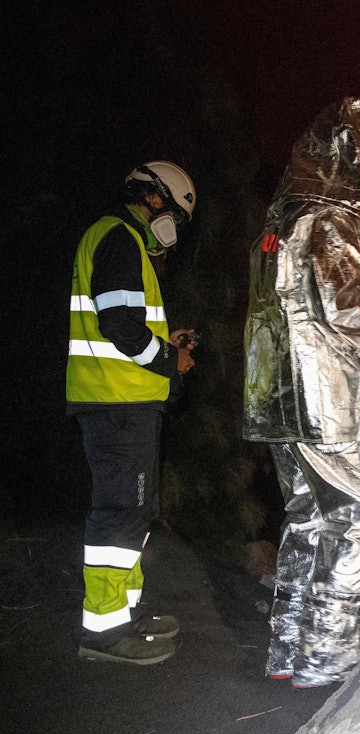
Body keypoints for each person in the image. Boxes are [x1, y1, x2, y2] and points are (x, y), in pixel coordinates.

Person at [243, 98, 360, 689]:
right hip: (325, 404)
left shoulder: (280, 227)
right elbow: (347, 314)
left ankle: (289, 647)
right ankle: (327, 652)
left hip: (276, 403)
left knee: (309, 518)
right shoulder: (330, 223)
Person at [67, 160, 198, 665]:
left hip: (121, 402)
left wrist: (167, 344)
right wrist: (171, 359)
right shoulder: (120, 237)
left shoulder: (120, 241)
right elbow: (120, 325)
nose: (174, 235)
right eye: (177, 220)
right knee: (121, 513)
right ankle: (101, 631)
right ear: (156, 199)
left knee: (133, 513)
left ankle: (125, 614)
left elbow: (121, 327)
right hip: (116, 404)